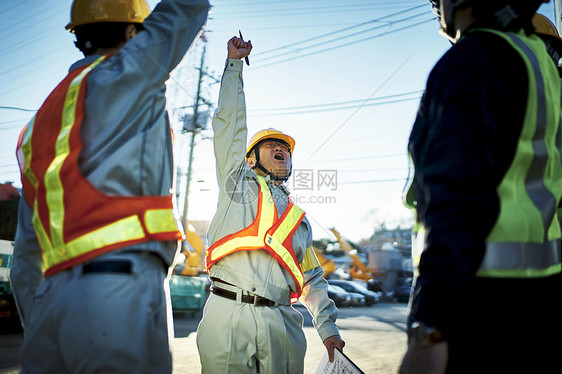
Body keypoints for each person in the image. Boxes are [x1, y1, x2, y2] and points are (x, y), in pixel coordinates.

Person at [11, 0, 209, 372]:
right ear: (133, 33)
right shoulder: (131, 70)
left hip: (50, 300)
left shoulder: (36, 128)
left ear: (78, 36)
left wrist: (40, 322)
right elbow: (184, 9)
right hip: (118, 285)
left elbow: (27, 251)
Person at [399, 0, 562, 373]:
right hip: (541, 296)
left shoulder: (474, 58)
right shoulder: (539, 63)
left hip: (477, 302)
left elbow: (455, 197)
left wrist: (430, 328)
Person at [196, 36, 345, 374]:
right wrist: (234, 66)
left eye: (286, 149)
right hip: (227, 311)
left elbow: (312, 279)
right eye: (271, 146)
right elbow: (229, 127)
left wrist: (328, 329)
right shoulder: (238, 180)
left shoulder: (299, 222)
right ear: (249, 160)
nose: (281, 150)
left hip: (283, 321)